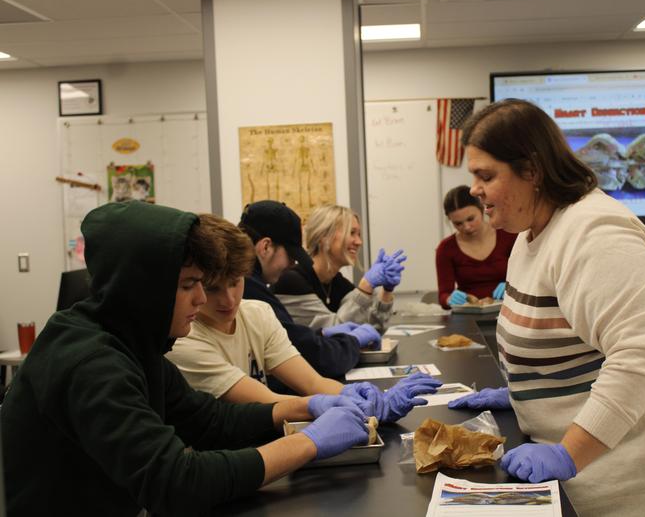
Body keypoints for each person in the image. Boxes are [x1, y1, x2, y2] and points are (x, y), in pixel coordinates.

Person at [447, 99, 645, 517]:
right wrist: (525, 393)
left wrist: (570, 454)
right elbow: (563, 339)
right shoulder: (529, 236)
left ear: (533, 170)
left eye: (486, 175)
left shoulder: (595, 233)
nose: (474, 189)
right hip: (607, 470)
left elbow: (642, 355)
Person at [1, 201, 370, 516]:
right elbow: (176, 482)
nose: (200, 299)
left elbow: (208, 419)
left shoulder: (133, 343)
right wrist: (307, 443)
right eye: (188, 285)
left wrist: (308, 407)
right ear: (143, 287)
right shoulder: (90, 362)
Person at [166, 212, 442, 423]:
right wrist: (357, 407)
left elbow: (312, 383)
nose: (228, 300)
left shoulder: (257, 313)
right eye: (213, 288)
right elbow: (270, 404)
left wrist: (369, 400)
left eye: (236, 283)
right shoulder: (183, 339)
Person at [238, 200, 363, 386]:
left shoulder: (252, 284)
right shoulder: (249, 289)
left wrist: (323, 333)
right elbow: (314, 355)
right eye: (290, 256)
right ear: (265, 247)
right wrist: (354, 342)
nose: (291, 265)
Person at [274, 204, 406, 332]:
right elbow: (336, 331)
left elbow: (373, 329)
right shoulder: (291, 281)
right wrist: (366, 287)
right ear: (324, 237)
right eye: (352, 233)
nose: (359, 242)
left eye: (359, 234)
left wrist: (387, 291)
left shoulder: (336, 282)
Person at [435, 184, 515, 309]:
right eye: (458, 223)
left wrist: (513, 286)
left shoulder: (508, 235)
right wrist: (449, 299)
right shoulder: (446, 249)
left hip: (510, 310)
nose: (466, 227)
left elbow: (530, 276)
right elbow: (443, 295)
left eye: (471, 219)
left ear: (482, 209)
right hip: (469, 316)